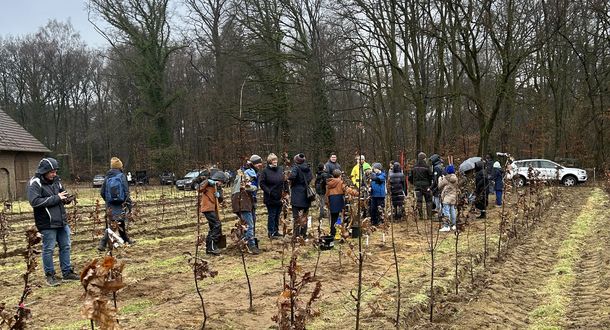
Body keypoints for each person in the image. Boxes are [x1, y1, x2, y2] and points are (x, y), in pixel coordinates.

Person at [28, 157, 79, 286]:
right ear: (44, 171)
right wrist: (57, 198)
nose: (54, 174)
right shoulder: (35, 183)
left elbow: (62, 194)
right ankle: (50, 275)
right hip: (47, 222)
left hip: (61, 220)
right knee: (48, 249)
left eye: (55, 171)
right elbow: (34, 202)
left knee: (66, 246)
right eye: (51, 172)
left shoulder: (56, 181)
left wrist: (67, 198)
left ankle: (67, 273)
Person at [98, 157, 134, 251]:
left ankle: (126, 240)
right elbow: (126, 192)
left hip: (109, 205)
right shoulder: (122, 176)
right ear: (120, 167)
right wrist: (129, 204)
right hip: (121, 203)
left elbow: (102, 192)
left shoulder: (107, 177)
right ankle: (102, 243)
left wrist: (108, 200)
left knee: (119, 222)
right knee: (114, 224)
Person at [197, 170, 227, 255]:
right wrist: (207, 181)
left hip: (214, 209)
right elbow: (198, 188)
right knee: (217, 225)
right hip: (207, 208)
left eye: (222, 182)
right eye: (220, 182)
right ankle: (212, 247)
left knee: (213, 227)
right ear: (216, 179)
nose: (221, 184)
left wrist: (219, 196)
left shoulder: (219, 188)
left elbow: (220, 200)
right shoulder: (208, 185)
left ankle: (210, 248)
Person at [231, 168, 260, 254]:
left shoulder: (237, 184)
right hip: (244, 206)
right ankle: (250, 245)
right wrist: (248, 186)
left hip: (241, 206)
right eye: (251, 178)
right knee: (249, 226)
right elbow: (254, 188)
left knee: (244, 226)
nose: (251, 180)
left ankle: (244, 244)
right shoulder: (243, 184)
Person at [259, 153, 286, 238]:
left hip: (280, 196)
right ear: (269, 161)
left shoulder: (280, 169)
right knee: (272, 214)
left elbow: (284, 180)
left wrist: (286, 192)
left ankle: (276, 230)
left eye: (276, 160)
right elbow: (262, 183)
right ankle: (271, 232)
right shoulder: (265, 171)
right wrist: (269, 192)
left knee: (278, 214)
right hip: (270, 197)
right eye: (273, 160)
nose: (275, 162)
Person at [325, 169, 358, 238]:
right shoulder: (340, 182)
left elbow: (327, 194)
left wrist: (327, 203)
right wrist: (356, 193)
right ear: (340, 175)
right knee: (339, 217)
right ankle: (338, 232)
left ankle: (333, 233)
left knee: (333, 217)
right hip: (338, 199)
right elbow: (347, 189)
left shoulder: (329, 183)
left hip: (331, 200)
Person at [288, 153, 313, 238]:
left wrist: (291, 180)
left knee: (296, 216)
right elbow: (311, 177)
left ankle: (296, 234)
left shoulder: (295, 168)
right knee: (304, 216)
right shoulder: (308, 168)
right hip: (306, 194)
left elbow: (292, 176)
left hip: (296, 194)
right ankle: (303, 234)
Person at [242, 155, 263, 233]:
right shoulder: (247, 172)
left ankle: (252, 236)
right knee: (248, 220)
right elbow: (245, 186)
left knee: (253, 218)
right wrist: (255, 188)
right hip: (246, 199)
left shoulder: (256, 172)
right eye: (258, 163)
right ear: (254, 164)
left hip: (252, 198)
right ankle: (248, 239)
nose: (260, 165)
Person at [409, 152, 433, 220]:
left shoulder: (414, 167)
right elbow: (430, 176)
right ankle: (429, 216)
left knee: (419, 201)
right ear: (424, 158)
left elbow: (410, 177)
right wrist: (429, 184)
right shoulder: (427, 166)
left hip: (417, 186)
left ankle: (421, 216)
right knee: (428, 200)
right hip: (426, 186)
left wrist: (413, 183)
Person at [438, 164, 459, 231]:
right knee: (453, 211)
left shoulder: (446, 178)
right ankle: (453, 225)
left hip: (446, 197)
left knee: (446, 211)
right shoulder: (455, 178)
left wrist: (440, 179)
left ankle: (446, 226)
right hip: (453, 197)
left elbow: (439, 186)